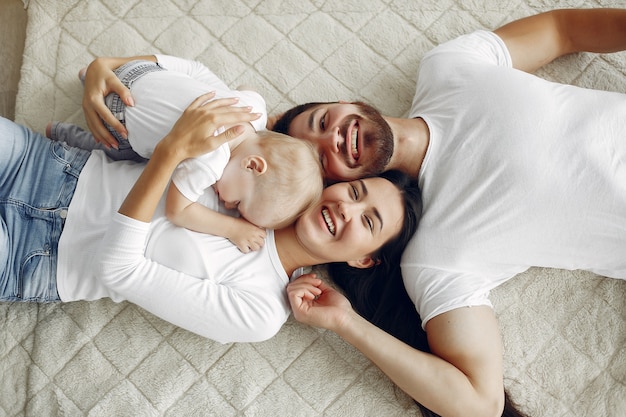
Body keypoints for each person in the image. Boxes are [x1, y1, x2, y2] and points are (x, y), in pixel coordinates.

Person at [79, 8, 626, 417]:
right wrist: (344, 321)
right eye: (323, 166)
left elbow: (563, 30)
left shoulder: (450, 67)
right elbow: (478, 404)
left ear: (341, 100)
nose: (335, 140)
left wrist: (116, 67)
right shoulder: (439, 253)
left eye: (321, 120)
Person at [0, 93, 422, 345]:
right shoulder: (273, 164)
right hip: (47, 164)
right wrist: (102, 71)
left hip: (39, 256)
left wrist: (170, 154)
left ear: (364, 260)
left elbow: (118, 269)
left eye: (368, 222)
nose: (346, 210)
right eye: (354, 192)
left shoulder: (260, 311)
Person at [49, 56, 323, 252]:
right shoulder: (210, 159)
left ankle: (89, 76)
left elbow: (247, 88)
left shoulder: (255, 111)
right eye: (238, 203)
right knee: (129, 158)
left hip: (139, 71)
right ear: (252, 165)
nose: (228, 206)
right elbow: (177, 211)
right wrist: (233, 229)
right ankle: (63, 134)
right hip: (117, 116)